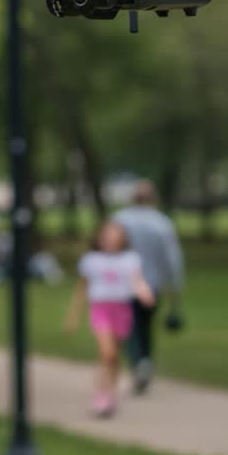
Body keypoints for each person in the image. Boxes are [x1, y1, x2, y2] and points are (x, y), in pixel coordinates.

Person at [64, 219, 155, 418]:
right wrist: (73, 315)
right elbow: (82, 289)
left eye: (116, 237)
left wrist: (145, 293)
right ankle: (101, 396)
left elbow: (137, 281)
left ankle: (110, 394)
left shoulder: (130, 259)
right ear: (100, 238)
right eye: (107, 236)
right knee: (106, 352)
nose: (111, 240)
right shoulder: (91, 260)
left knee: (114, 357)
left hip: (122, 309)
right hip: (100, 308)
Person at [113, 179, 186, 394]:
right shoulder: (162, 223)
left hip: (124, 284)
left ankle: (138, 362)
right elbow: (173, 259)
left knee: (130, 327)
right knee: (145, 325)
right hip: (152, 284)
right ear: (153, 198)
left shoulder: (120, 220)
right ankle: (145, 360)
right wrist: (175, 286)